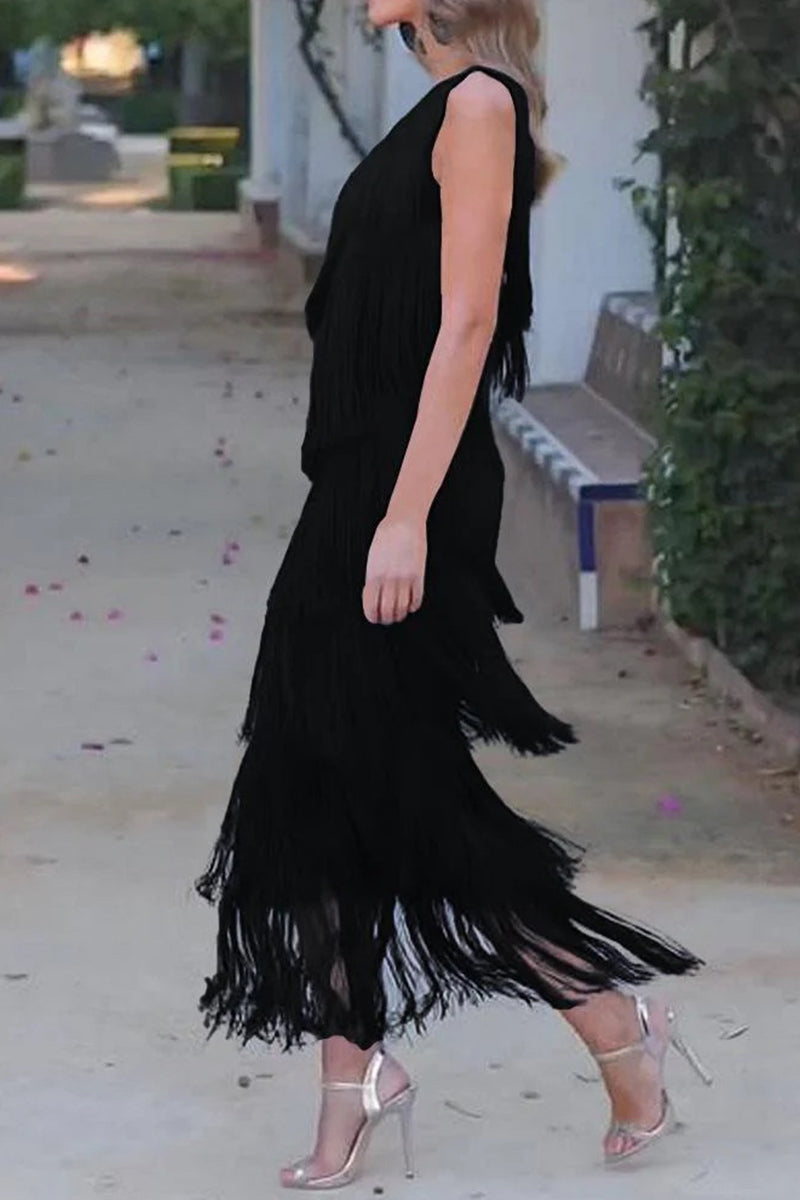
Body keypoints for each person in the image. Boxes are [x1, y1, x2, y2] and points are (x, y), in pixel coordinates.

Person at [195, 1, 711, 1189]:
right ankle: (360, 1074)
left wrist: (404, 515)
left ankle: (610, 1024)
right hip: (359, 485)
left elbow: (467, 322)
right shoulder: (433, 106)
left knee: (401, 790)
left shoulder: (479, 105)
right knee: (317, 782)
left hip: (401, 491)